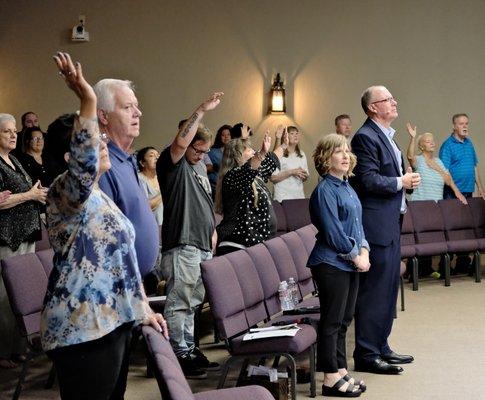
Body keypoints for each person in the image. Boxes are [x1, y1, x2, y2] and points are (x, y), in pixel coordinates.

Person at [41, 52, 168, 400]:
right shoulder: (65, 194)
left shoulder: (100, 198)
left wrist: (141, 309)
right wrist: (88, 98)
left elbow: (121, 260)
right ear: (72, 157)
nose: (102, 144)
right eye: (95, 141)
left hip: (112, 322)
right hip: (83, 328)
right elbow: (83, 170)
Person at [350, 85, 420, 375]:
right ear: (372, 108)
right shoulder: (365, 137)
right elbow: (367, 180)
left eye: (393, 97)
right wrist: (400, 183)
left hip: (391, 223)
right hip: (376, 225)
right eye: (387, 100)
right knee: (374, 291)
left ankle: (381, 346)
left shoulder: (388, 137)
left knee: (389, 288)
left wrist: (406, 183)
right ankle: (366, 354)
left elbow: (392, 177)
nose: (394, 102)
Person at [157, 92, 223, 379]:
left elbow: (205, 204)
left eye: (205, 151)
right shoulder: (173, 163)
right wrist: (201, 109)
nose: (201, 155)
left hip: (201, 242)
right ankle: (177, 353)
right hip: (182, 244)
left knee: (193, 303)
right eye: (197, 149)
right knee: (180, 301)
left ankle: (189, 348)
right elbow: (182, 142)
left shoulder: (197, 166)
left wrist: (212, 231)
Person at [308, 133, 369, 398]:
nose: (345, 156)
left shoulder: (347, 187)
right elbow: (333, 232)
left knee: (345, 319)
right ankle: (329, 377)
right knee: (332, 321)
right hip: (330, 263)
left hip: (350, 262)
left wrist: (364, 250)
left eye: (347, 151)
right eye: (338, 151)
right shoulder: (324, 190)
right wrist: (355, 255)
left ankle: (341, 369)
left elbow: (358, 225)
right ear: (325, 157)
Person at [95, 79, 159, 280]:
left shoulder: (127, 159)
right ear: (104, 116)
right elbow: (105, 239)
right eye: (127, 107)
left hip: (137, 282)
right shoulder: (103, 164)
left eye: (136, 107)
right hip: (118, 286)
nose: (138, 113)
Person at [0, 113, 47, 369]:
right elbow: (2, 200)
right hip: (7, 238)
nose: (13, 135)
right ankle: (3, 351)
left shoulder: (15, 160)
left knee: (24, 295)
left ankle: (19, 348)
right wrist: (29, 195)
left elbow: (25, 194)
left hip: (27, 235)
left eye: (14, 131)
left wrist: (36, 196)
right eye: (7, 131)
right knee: (6, 297)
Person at [215, 126, 288, 255]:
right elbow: (247, 171)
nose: (254, 151)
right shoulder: (232, 176)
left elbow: (272, 159)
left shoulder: (257, 174)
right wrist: (261, 154)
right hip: (236, 245)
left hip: (255, 245)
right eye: (249, 150)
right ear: (238, 155)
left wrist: (283, 145)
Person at [406, 123, 466, 204]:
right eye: (428, 141)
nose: (432, 143)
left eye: (432, 141)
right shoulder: (418, 160)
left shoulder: (439, 162)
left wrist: (437, 168)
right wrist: (413, 138)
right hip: (420, 205)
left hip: (436, 207)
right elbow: (410, 156)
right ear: (421, 146)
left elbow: (448, 181)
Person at [439, 113, 484, 199]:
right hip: (452, 193)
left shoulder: (469, 143)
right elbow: (445, 172)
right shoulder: (447, 145)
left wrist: (480, 188)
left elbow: (474, 167)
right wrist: (457, 192)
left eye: (466, 124)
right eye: (461, 124)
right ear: (454, 127)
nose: (465, 126)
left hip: (468, 191)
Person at [270, 125, 309, 202]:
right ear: (285, 137)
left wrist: (304, 175)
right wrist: (292, 172)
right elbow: (273, 178)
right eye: (292, 133)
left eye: (297, 133)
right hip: (282, 198)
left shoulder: (302, 154)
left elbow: (305, 178)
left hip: (299, 197)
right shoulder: (279, 154)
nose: (296, 135)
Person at [137, 146, 163, 226]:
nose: (156, 158)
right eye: (151, 156)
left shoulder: (162, 177)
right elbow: (145, 206)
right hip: (151, 227)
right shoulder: (139, 179)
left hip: (167, 227)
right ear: (142, 163)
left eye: (157, 155)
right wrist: (164, 191)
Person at [208, 124, 232, 196]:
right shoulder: (212, 152)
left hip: (230, 189)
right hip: (214, 188)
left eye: (228, 134)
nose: (226, 137)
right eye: (223, 135)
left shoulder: (236, 152)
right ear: (219, 137)